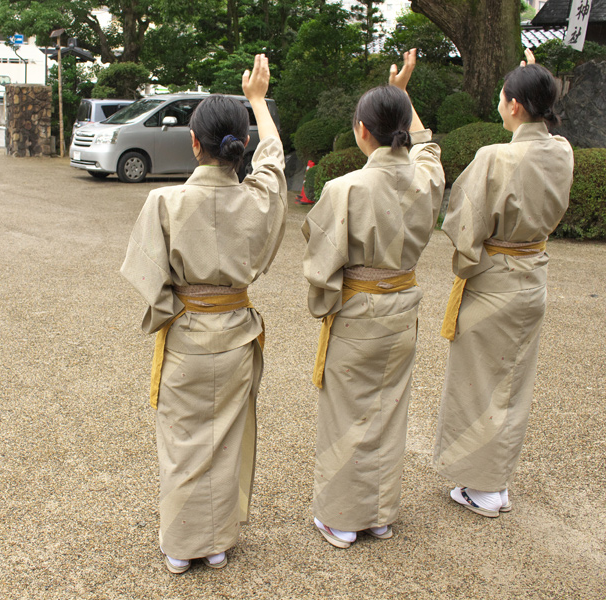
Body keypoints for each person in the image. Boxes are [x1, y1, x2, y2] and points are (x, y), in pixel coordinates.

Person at [120, 54, 286, 573]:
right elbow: (275, 162)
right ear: (242, 149)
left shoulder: (165, 203)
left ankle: (182, 545)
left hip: (189, 335)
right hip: (237, 335)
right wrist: (257, 101)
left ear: (195, 144)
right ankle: (215, 542)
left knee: (182, 441)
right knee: (226, 439)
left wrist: (178, 310)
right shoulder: (258, 200)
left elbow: (150, 282)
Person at [302, 49, 445, 548]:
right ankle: (380, 513)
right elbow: (427, 147)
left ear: (362, 130)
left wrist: (326, 299)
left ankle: (343, 517)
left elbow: (322, 260)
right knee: (388, 408)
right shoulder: (427, 179)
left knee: (348, 411)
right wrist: (403, 93)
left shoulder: (346, 187)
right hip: (403, 304)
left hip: (360, 308)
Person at [432, 49, 574, 517]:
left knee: (480, 382)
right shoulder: (562, 151)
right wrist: (536, 76)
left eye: (503, 95)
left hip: (496, 278)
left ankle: (485, 486)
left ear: (513, 106)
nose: (499, 100)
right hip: (533, 273)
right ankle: (494, 479)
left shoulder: (495, 156)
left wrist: (469, 260)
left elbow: (463, 219)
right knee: (513, 380)